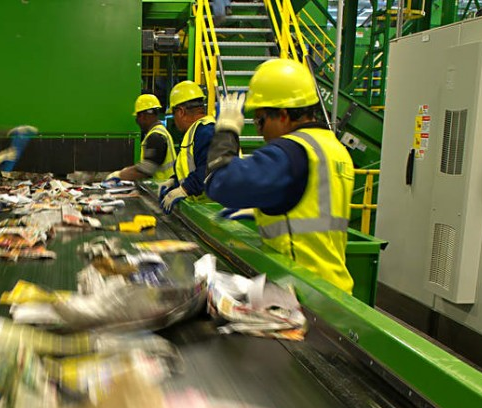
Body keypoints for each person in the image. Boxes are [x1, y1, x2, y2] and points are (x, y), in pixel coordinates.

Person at [202, 59, 354, 293]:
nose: (259, 130)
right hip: (334, 290)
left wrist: (226, 131)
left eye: (260, 121)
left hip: (302, 291)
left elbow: (219, 182)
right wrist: (268, 210)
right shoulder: (332, 148)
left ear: (283, 115)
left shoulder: (290, 152)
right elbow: (310, 203)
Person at [157, 81, 215, 213]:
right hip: (206, 210)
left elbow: (210, 168)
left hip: (217, 211)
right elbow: (192, 166)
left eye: (173, 114)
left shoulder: (207, 131)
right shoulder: (195, 132)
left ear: (181, 112)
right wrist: (174, 182)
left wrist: (185, 189)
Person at [106, 94, 176, 183]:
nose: (137, 122)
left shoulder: (155, 137)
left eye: (137, 118)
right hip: (164, 187)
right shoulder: (161, 132)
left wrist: (119, 175)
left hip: (160, 189)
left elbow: (145, 170)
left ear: (142, 116)